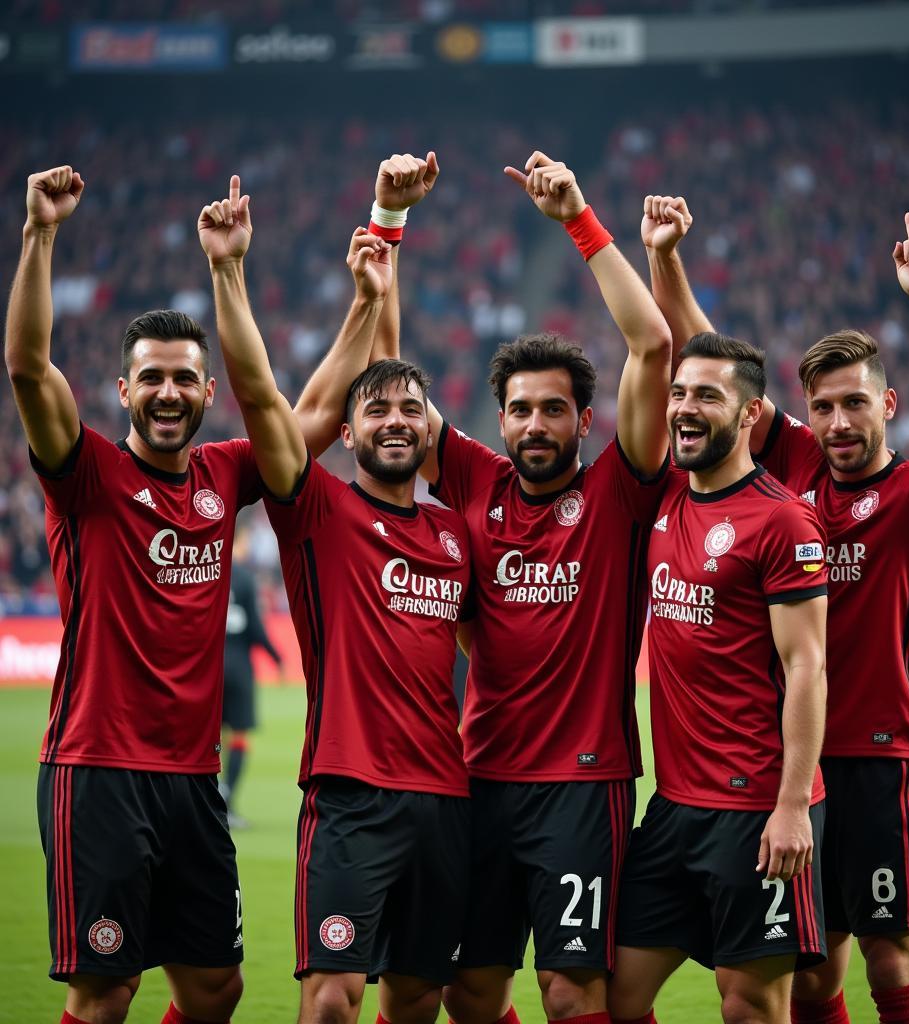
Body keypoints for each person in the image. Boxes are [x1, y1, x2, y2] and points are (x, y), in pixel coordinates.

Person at [647, 198, 909, 1024]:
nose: (838, 422)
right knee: (812, 975)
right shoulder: (797, 464)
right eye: (824, 406)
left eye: (855, 404)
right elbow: (714, 364)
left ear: (887, 406)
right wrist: (665, 258)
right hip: (793, 772)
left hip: (882, 760)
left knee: (892, 962)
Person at [361, 150, 672, 1024]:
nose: (536, 424)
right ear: (499, 417)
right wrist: (390, 220)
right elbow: (381, 391)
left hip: (583, 784)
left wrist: (580, 221)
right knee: (468, 992)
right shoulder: (473, 480)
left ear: (585, 418)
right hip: (479, 777)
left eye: (555, 409)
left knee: (574, 996)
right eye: (522, 409)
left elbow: (652, 343)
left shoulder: (619, 491)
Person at [198, 176, 473, 1024]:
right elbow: (257, 393)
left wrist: (390, 236)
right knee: (329, 1003)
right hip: (351, 793)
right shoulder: (315, 508)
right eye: (377, 411)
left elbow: (385, 363)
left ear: (429, 430)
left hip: (446, 798)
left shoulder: (458, 535)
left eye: (411, 411)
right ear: (347, 434)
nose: (396, 420)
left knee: (419, 1000)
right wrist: (230, 273)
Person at [6, 167, 254, 1024]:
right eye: (151, 378)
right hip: (99, 771)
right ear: (121, 392)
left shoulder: (227, 473)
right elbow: (30, 368)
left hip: (192, 777)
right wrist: (40, 232)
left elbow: (317, 412)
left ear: (208, 394)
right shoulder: (89, 477)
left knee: (215, 988)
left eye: (185, 378)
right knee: (106, 993)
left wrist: (380, 244)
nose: (169, 393)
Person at [607, 331, 829, 1024]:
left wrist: (792, 804)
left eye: (708, 394)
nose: (684, 408)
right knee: (613, 997)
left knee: (750, 1004)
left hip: (756, 805)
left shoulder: (784, 519)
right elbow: (646, 341)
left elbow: (807, 666)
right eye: (678, 393)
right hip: (673, 806)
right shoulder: (667, 494)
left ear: (749, 415)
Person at [221, 521, 285, 828]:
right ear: (241, 540)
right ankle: (228, 800)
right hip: (239, 669)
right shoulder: (245, 578)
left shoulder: (208, 570)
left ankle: (208, 801)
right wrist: (276, 657)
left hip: (207, 668)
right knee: (239, 736)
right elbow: (256, 629)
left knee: (209, 739)